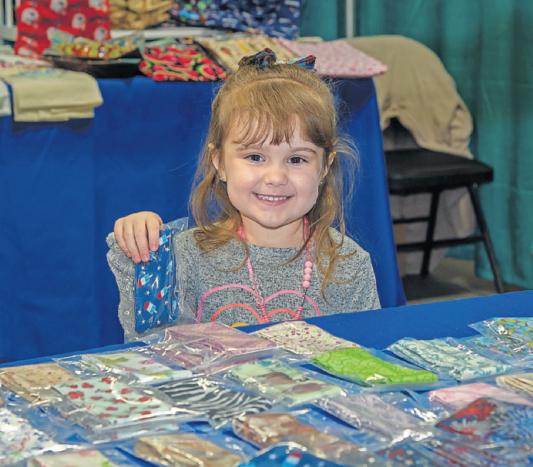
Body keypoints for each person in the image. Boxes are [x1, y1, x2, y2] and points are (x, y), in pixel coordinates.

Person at [107, 49, 380, 340]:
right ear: (220, 163)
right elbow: (149, 350)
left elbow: (369, 354)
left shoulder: (348, 264)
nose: (275, 177)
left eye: (297, 159)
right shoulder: (183, 257)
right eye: (255, 157)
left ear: (325, 166)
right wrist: (143, 251)